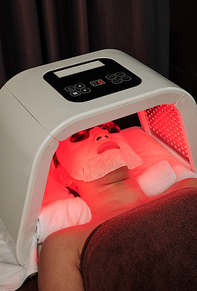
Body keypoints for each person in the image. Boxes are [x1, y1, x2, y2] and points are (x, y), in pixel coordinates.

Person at [38, 122, 197, 291]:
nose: (103, 134)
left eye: (111, 129)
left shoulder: (189, 188)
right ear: (63, 176)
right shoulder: (64, 245)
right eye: (79, 136)